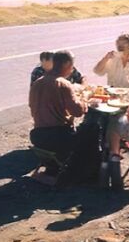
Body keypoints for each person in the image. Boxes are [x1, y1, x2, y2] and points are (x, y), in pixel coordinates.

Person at [28, 50, 87, 184]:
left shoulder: (37, 82)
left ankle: (52, 169)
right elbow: (78, 111)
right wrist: (85, 101)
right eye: (72, 66)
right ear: (66, 64)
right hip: (58, 137)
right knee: (91, 133)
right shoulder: (63, 84)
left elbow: (33, 107)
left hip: (37, 135)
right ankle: (80, 173)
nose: (72, 70)